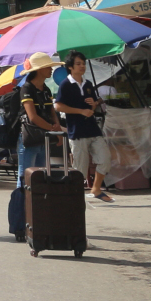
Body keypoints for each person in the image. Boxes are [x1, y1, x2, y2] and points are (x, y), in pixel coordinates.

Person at [55, 50, 113, 203]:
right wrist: (80, 111)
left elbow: (93, 104)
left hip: (93, 129)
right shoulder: (65, 85)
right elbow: (58, 106)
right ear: (70, 67)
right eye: (78, 64)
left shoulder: (88, 84)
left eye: (83, 64)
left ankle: (96, 188)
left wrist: (93, 106)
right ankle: (74, 196)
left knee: (105, 158)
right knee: (79, 168)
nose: (82, 67)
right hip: (77, 131)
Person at [16, 52, 66, 187]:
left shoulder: (46, 89)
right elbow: (33, 117)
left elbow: (52, 112)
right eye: (48, 67)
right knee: (25, 177)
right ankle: (21, 206)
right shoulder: (26, 88)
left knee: (41, 175)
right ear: (39, 70)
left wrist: (56, 128)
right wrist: (53, 129)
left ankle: (35, 207)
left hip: (44, 138)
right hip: (29, 139)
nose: (51, 70)